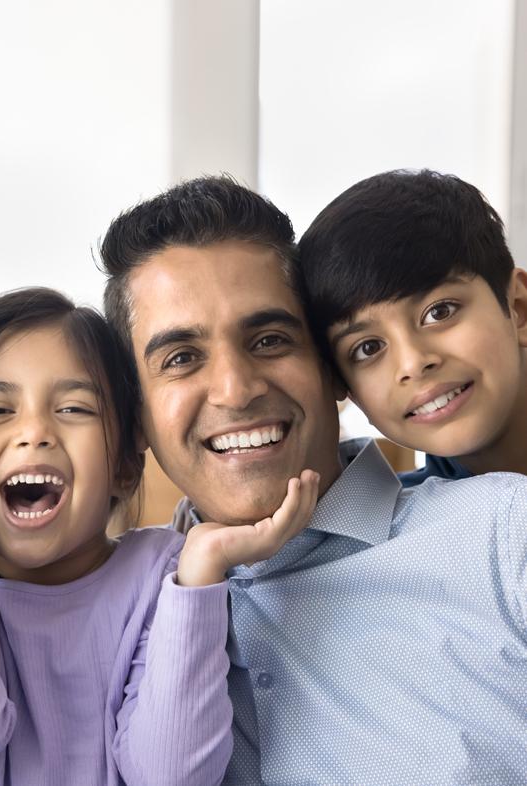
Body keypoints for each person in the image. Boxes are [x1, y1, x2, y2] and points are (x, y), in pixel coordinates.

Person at [99, 175, 527, 785]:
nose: (236, 389)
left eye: (269, 340)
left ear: (332, 375)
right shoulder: (108, 609)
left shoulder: (504, 534)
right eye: (182, 358)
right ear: (134, 414)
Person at [0, 287, 318, 786]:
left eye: (74, 409)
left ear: (122, 466)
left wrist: (200, 573)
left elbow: (170, 775)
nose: (35, 433)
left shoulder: (166, 577)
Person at [297, 169, 527, 485]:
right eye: (368, 348)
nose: (413, 363)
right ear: (345, 388)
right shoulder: (402, 527)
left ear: (518, 309)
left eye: (439, 312)